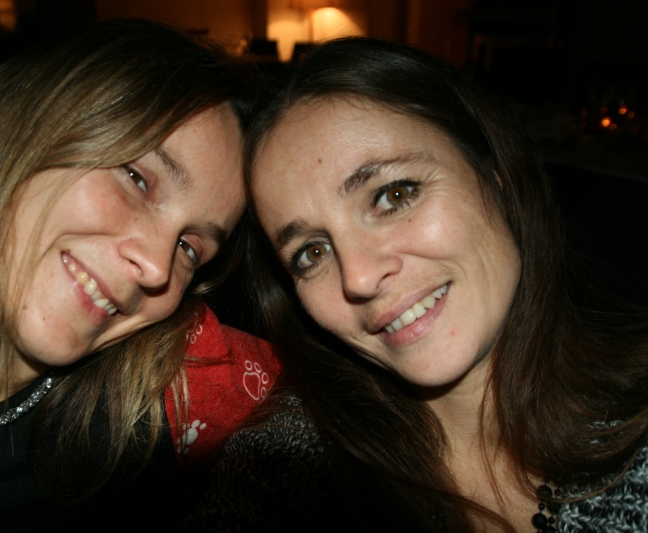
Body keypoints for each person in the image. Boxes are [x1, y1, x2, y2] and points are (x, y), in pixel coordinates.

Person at [0, 19, 280, 532]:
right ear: (19, 126)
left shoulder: (137, 452)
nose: (157, 266)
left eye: (190, 247)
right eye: (137, 179)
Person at [202, 38, 648, 532]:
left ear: (494, 176)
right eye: (312, 252)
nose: (360, 277)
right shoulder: (283, 472)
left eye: (393, 195)